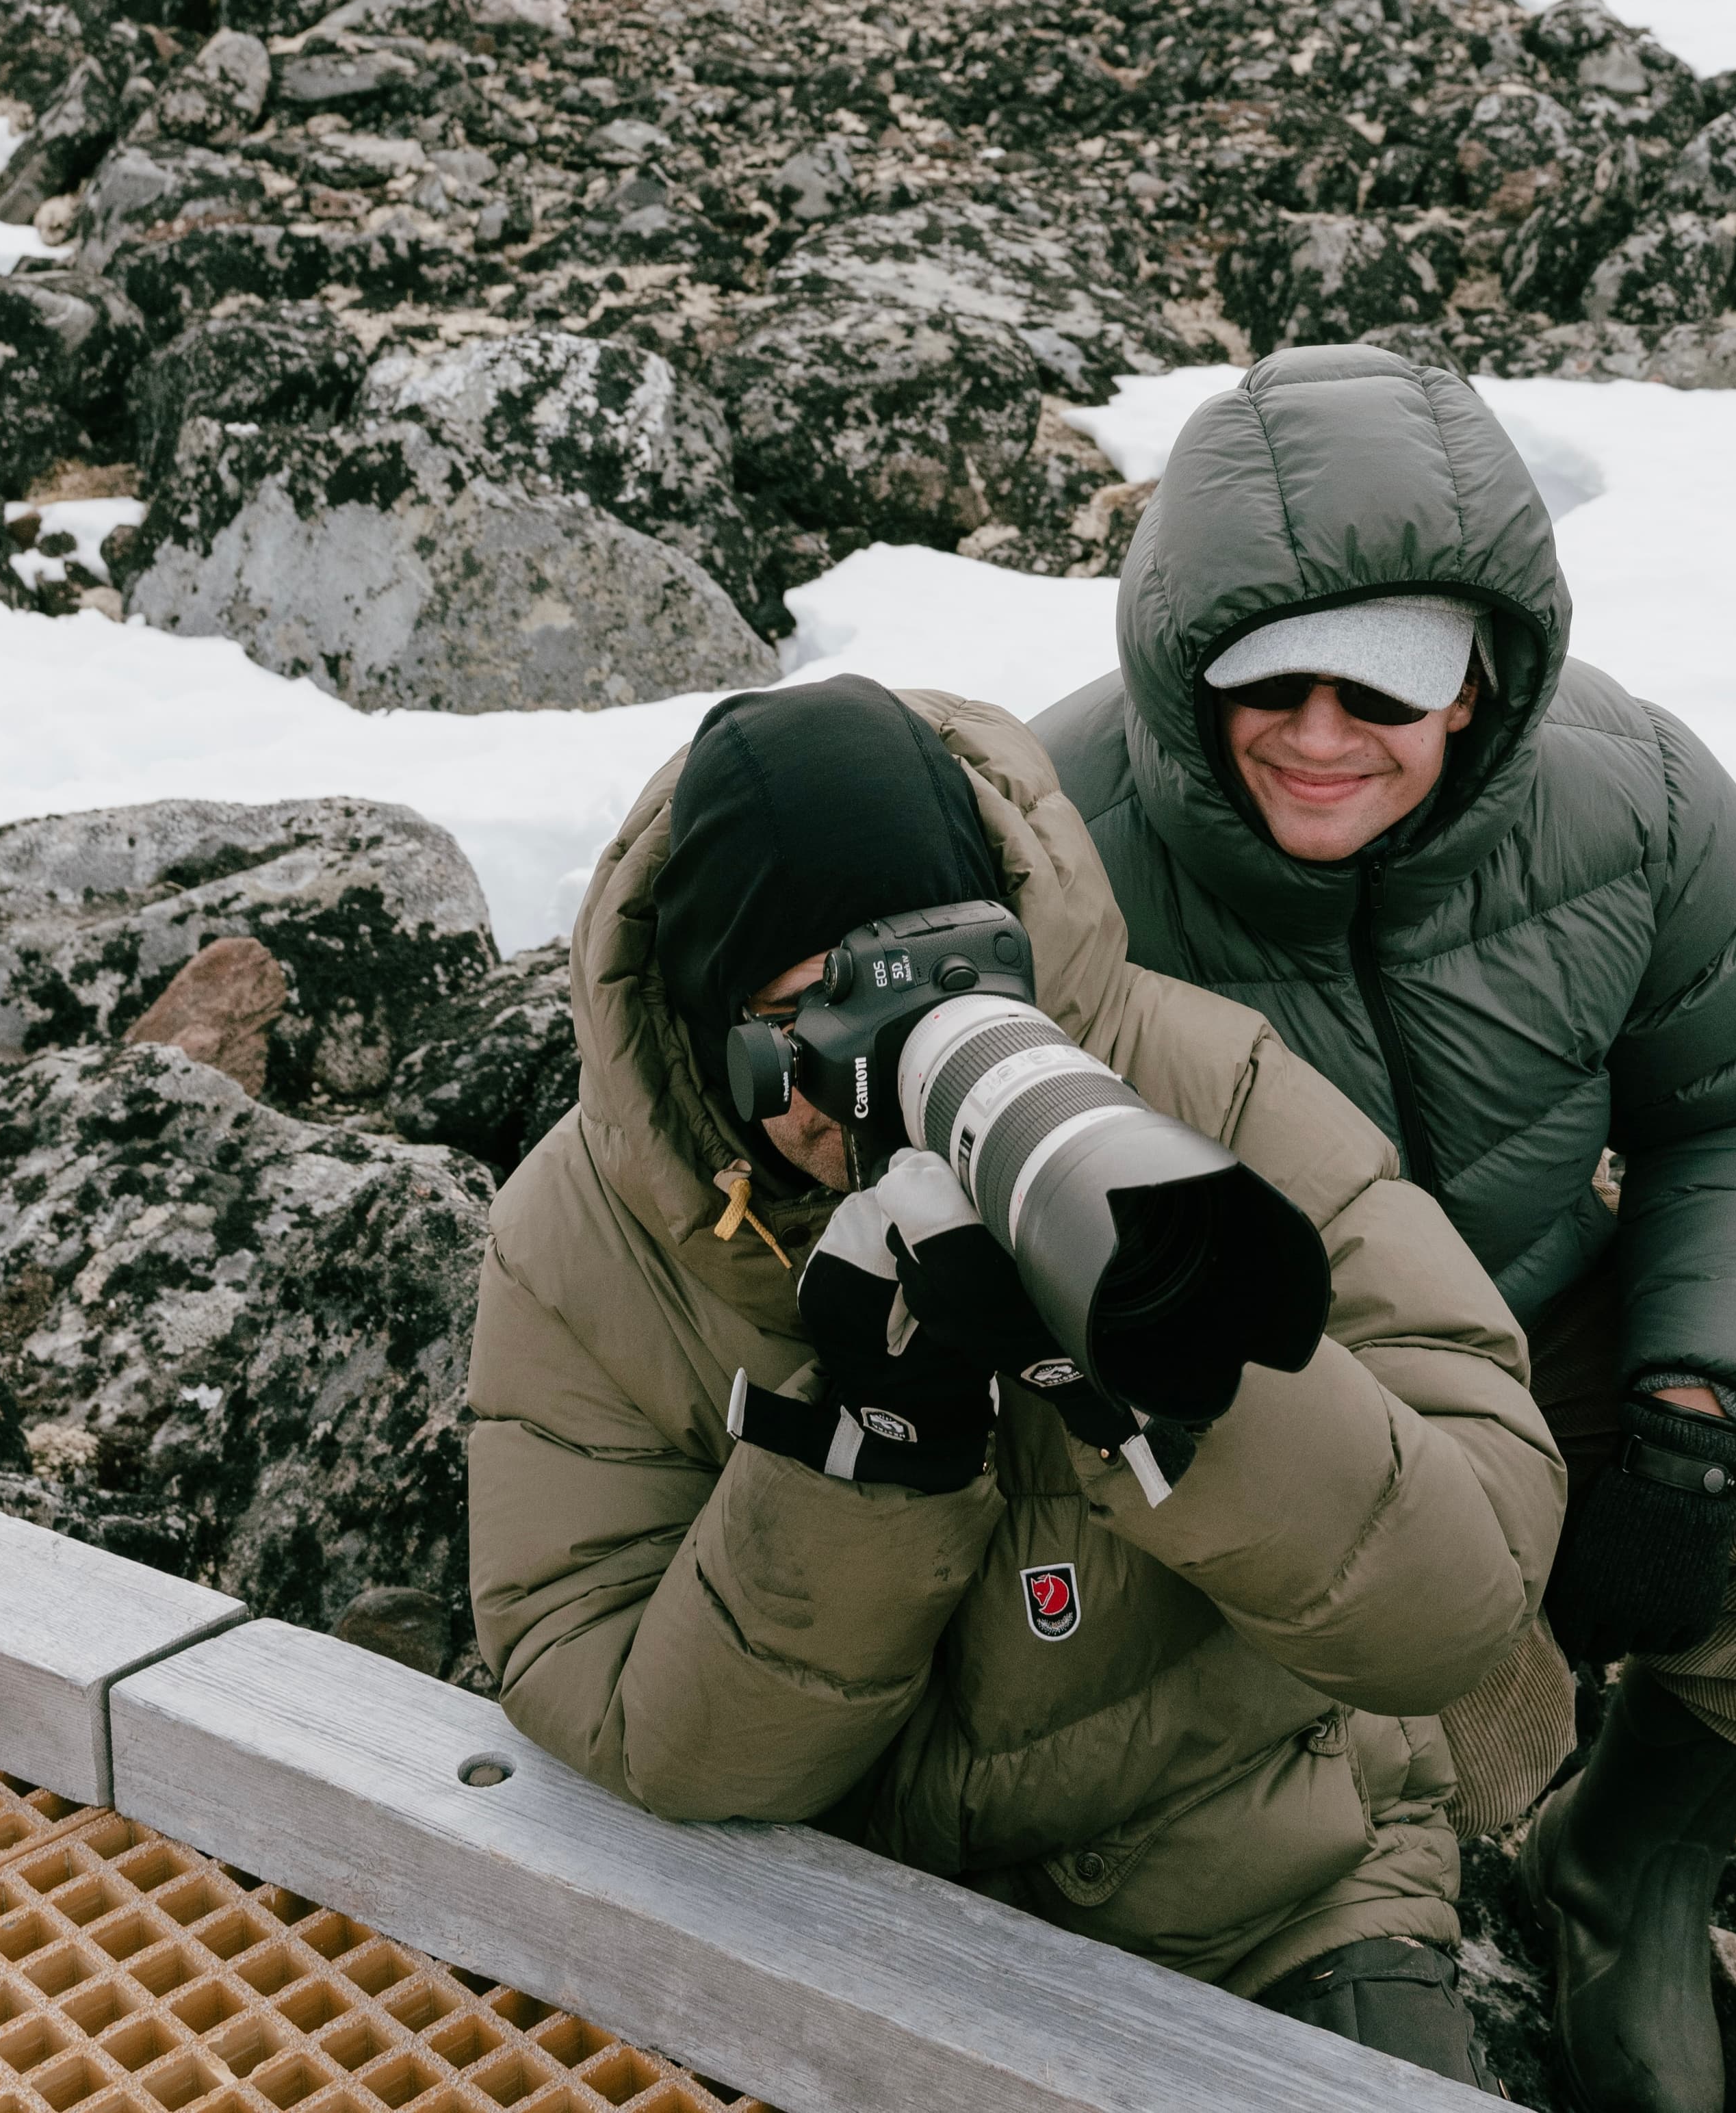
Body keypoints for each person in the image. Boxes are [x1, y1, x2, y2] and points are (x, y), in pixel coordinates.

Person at [1034, 341, 1736, 2113]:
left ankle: (1630, 1870)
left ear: (1480, 680)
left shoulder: (1633, 797)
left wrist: (1684, 1431)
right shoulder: (1068, 850)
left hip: (1537, 1313)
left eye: (1378, 691)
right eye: (1264, 680)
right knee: (1463, 1709)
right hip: (1274, 1402)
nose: (1317, 739)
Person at [465, 669, 1566, 2084]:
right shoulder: (589, 1241)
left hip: (1266, 1885)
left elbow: (1456, 1609)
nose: (889, 1065)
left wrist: (1152, 1369)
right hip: (837, 1909)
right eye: (819, 1018)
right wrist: (872, 1454)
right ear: (714, 1040)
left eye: (944, 977)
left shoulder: (1192, 1085)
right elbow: (654, 1740)